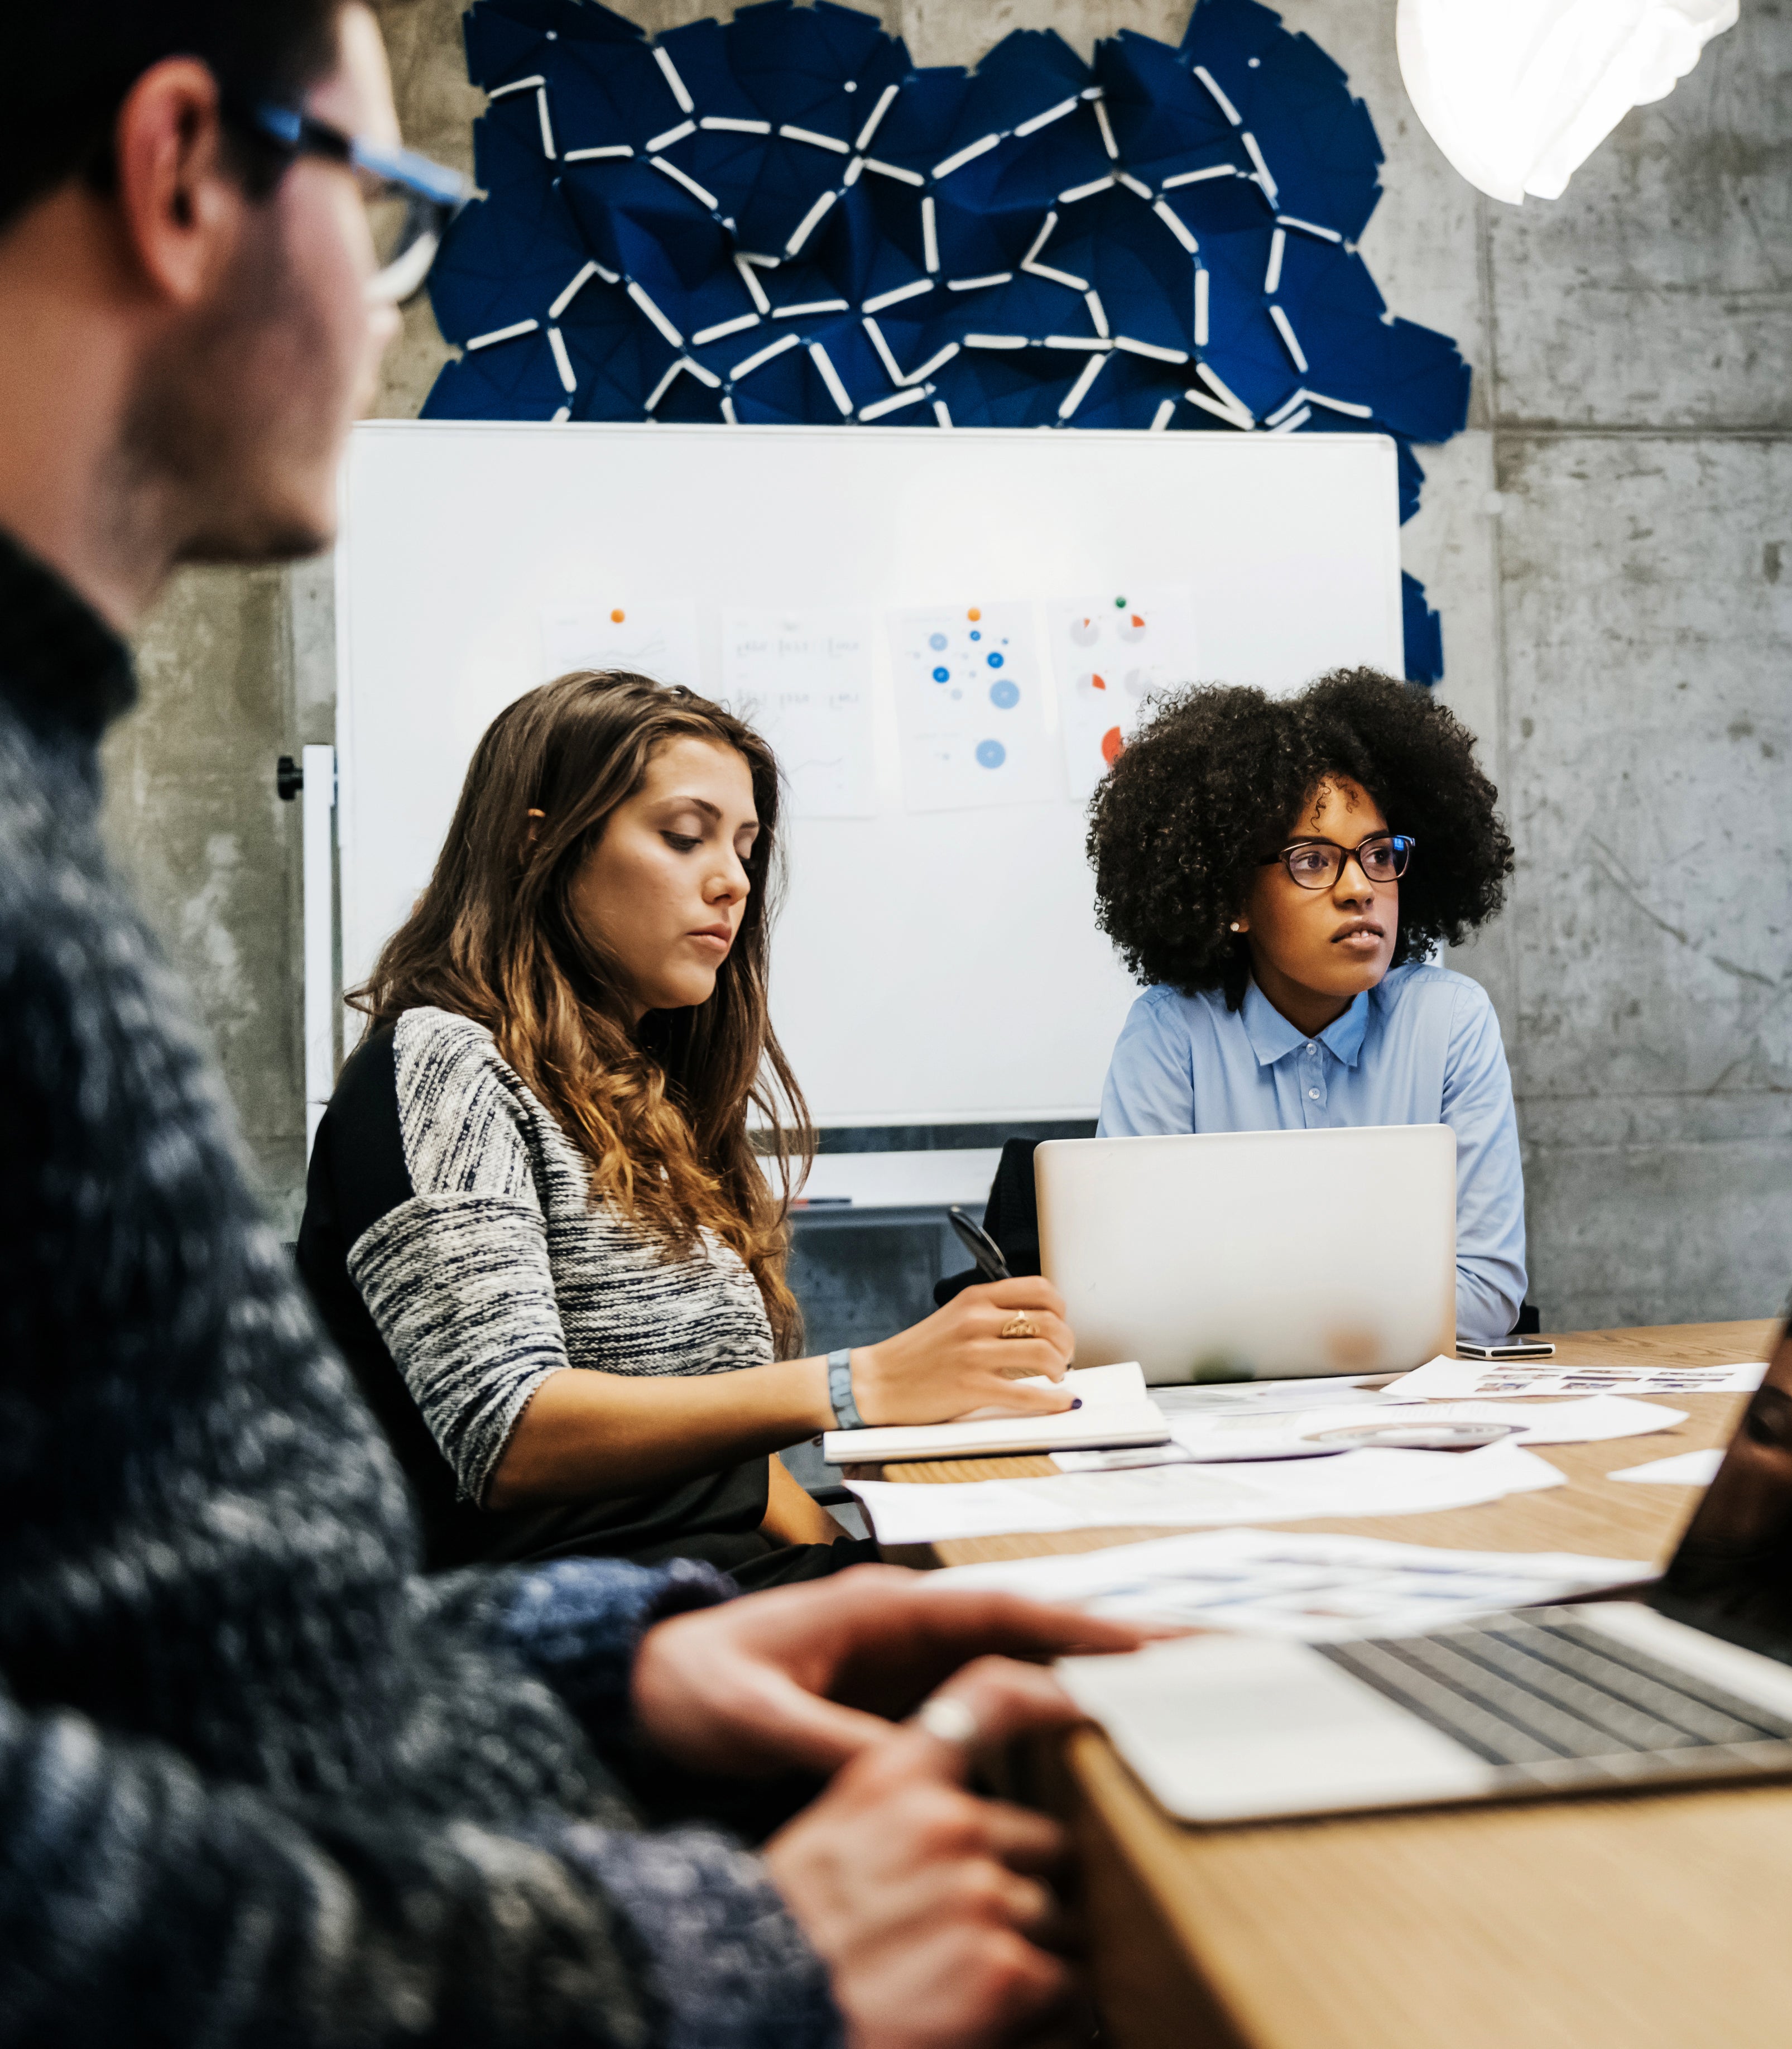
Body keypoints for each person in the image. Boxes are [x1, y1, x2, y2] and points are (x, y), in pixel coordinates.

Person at [0, 6, 1146, 2040]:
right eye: (383, 209)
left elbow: (194, 1645)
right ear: (185, 173)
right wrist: (688, 1958)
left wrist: (599, 1663)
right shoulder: (412, 1043)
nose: (381, 299)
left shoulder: (42, 810)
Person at [298, 670, 1080, 1586]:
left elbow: (727, 1477)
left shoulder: (640, 1102)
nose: (733, 881)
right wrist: (858, 1385)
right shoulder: (443, 1065)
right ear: (536, 845)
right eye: (684, 836)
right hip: (564, 1631)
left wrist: (873, 1565)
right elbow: (507, 1433)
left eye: (746, 848)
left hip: (706, 1587)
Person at [1085, 668, 1529, 1341]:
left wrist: (1249, 1308)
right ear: (1234, 899)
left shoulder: (1448, 1022)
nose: (1360, 887)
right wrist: (1368, 1306)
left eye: (1378, 853)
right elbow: (1128, 1295)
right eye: (1315, 861)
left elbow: (1488, 1293)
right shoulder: (1171, 1033)